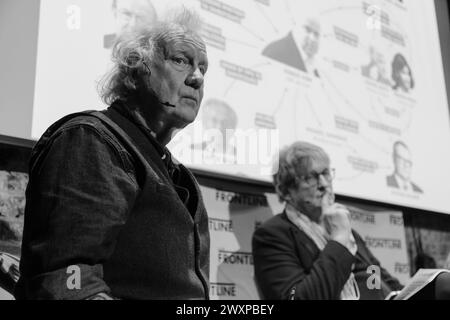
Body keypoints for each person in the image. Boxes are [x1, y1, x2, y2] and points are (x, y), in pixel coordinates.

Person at [15, 8, 210, 300]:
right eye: (181, 60)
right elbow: (68, 281)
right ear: (134, 71)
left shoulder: (175, 172)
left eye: (203, 68)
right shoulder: (90, 140)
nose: (197, 78)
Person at [252, 141, 403, 300]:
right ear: (287, 191)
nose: (324, 184)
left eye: (325, 173)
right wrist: (338, 240)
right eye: (310, 178)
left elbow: (381, 280)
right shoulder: (273, 236)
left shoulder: (351, 236)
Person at [190, 98, 238, 163]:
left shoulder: (240, 157)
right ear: (205, 123)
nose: (219, 127)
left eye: (224, 122)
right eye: (214, 121)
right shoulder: (192, 150)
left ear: (232, 128)